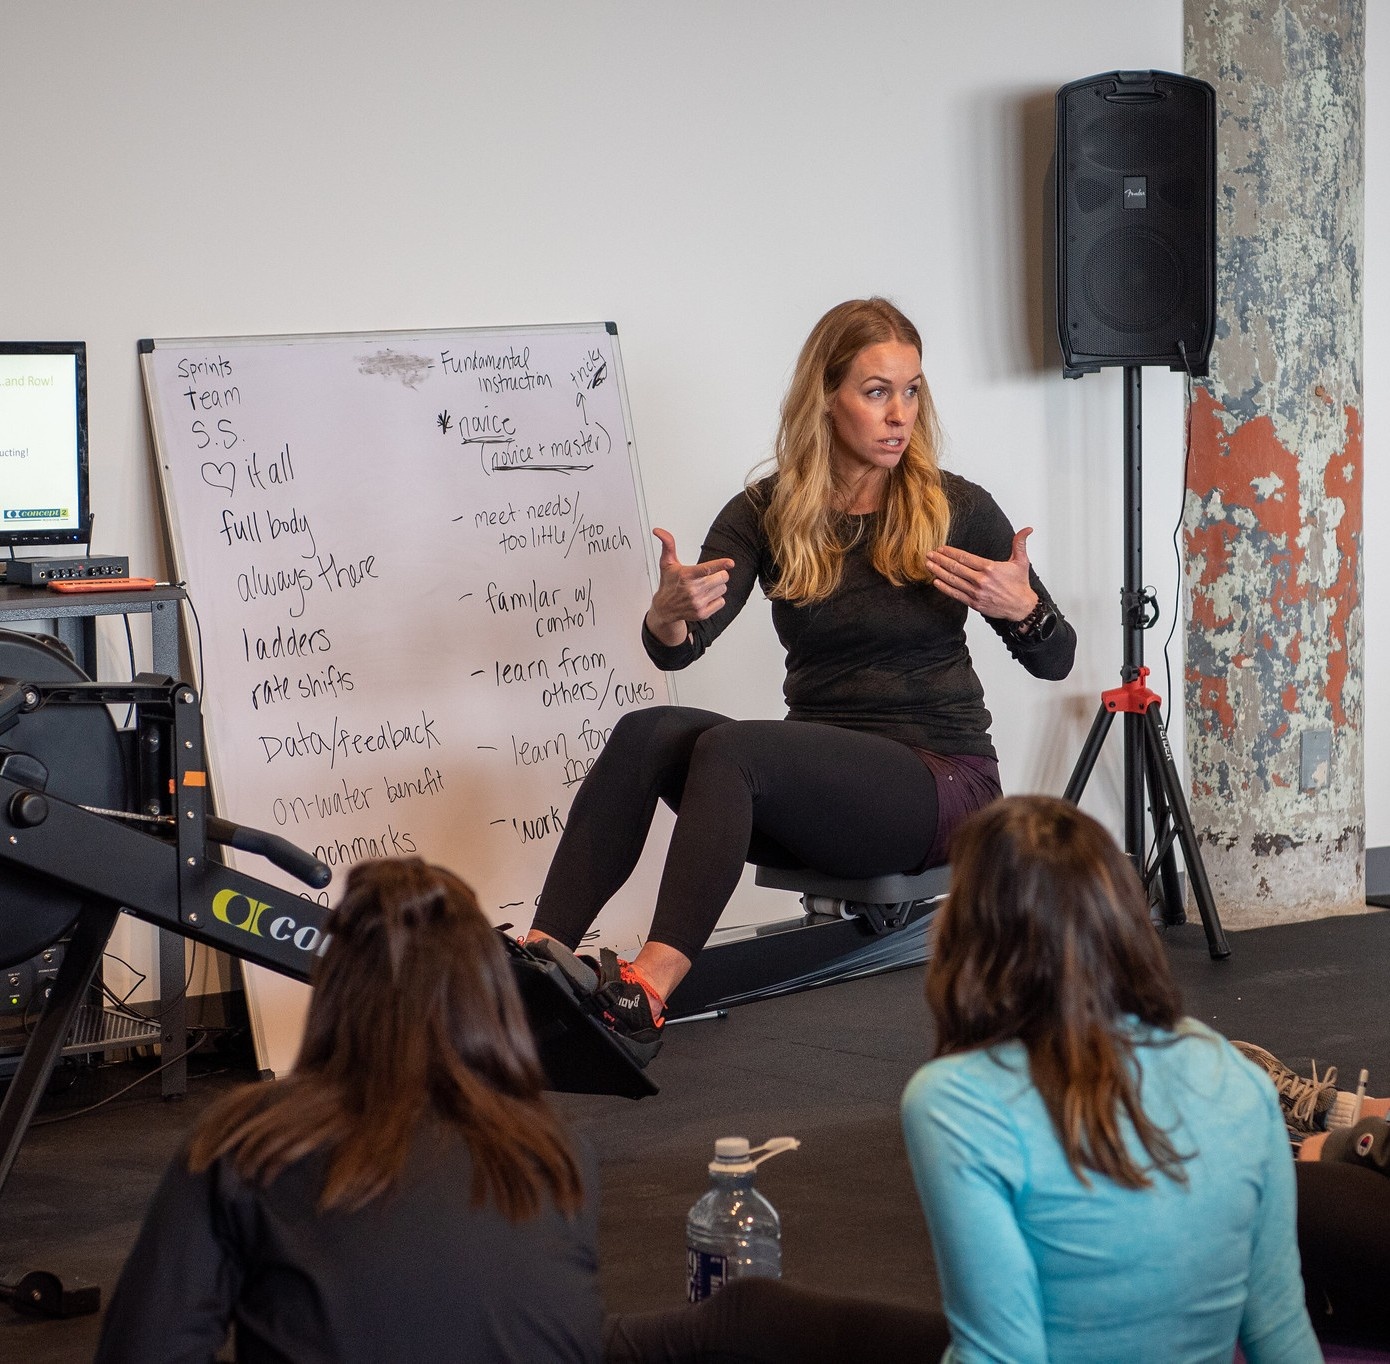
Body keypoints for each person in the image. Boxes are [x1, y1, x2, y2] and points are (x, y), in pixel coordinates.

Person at [525, 298, 1075, 1057]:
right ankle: (535, 965)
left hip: (941, 785)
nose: (900, 415)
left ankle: (647, 990)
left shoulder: (957, 508)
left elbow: (1056, 659)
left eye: (912, 391)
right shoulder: (767, 511)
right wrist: (668, 614)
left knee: (736, 751)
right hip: (824, 793)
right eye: (877, 392)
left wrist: (1025, 612)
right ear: (826, 397)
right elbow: (677, 650)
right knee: (647, 731)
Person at [94, 858, 603, 1364]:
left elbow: (144, 1350)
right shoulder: (558, 1155)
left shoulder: (249, 1142)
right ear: (491, 992)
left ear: (335, 988)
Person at [901, 795, 1321, 1363]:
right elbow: (1281, 1331)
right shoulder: (1233, 1071)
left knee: (782, 1322)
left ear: (971, 936)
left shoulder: (954, 1100)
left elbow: (1002, 1356)